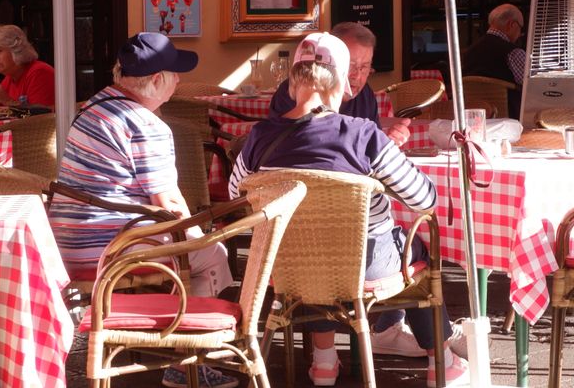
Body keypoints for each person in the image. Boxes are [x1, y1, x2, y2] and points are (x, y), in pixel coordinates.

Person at [229, 32, 468, 387]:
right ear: (340, 82)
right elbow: (425, 199)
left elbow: (237, 195)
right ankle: (441, 361)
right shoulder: (363, 134)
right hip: (367, 263)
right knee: (413, 245)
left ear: (293, 82)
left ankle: (324, 362)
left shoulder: (260, 137)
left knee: (313, 252)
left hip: (289, 264)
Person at [48, 32, 238, 388]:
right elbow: (168, 204)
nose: (179, 81)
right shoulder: (146, 124)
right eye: (175, 74)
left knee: (197, 248)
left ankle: (165, 337)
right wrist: (201, 236)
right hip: (109, 249)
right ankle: (187, 363)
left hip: (67, 242)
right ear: (155, 80)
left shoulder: (94, 106)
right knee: (213, 255)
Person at [270, 22, 411, 147]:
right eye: (351, 65)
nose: (357, 75)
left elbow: (371, 146)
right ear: (328, 63)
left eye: (364, 67)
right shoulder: (294, 91)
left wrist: (386, 143)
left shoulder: (365, 94)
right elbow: (286, 147)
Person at [0, 24, 55, 108]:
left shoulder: (39, 72)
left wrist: (8, 101)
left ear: (16, 50)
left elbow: (42, 117)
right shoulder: (10, 77)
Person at [462, 3, 525, 118]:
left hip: (476, 118)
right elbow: (531, 85)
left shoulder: (468, 52)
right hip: (511, 118)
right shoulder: (513, 52)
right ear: (511, 24)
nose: (520, 34)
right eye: (521, 28)